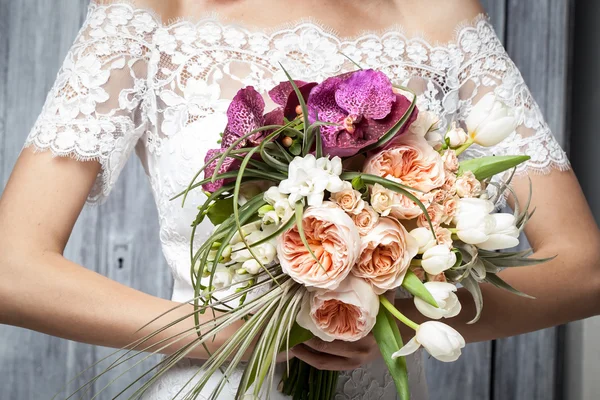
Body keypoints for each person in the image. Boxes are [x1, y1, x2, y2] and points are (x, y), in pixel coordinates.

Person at [1, 0, 598, 399]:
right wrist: (221, 332)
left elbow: (583, 269)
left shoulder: (438, 14)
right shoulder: (151, 11)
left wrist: (388, 314)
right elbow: (12, 271)